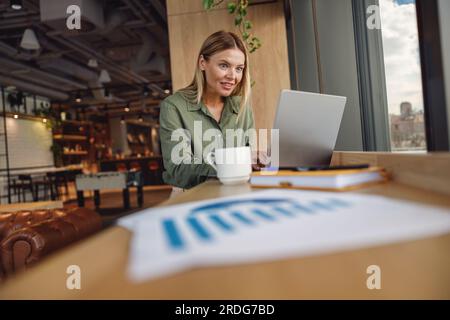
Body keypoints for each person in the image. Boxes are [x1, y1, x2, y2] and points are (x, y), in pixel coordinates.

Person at [159, 30, 259, 194]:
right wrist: (227, 166)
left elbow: (247, 160)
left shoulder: (241, 107)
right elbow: (177, 170)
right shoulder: (174, 107)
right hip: (191, 196)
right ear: (202, 63)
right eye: (224, 65)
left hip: (236, 193)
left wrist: (255, 160)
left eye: (239, 68)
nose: (232, 76)